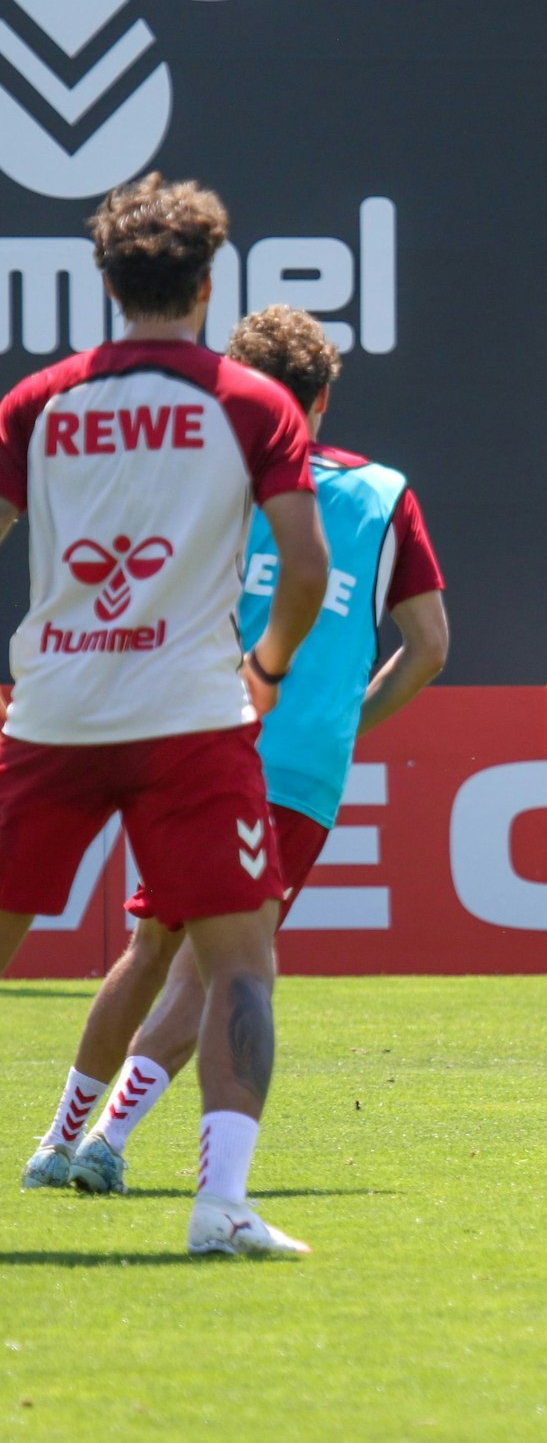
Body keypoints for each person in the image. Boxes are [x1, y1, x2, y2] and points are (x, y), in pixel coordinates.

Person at [22, 305, 448, 1200]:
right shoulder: (383, 493)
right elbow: (431, 644)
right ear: (324, 398)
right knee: (225, 967)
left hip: (186, 732)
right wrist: (344, 724)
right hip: (293, 768)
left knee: (151, 946)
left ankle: (56, 1141)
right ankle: (111, 1141)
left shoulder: (203, 483)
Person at [0, 175, 329, 1255]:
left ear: (106, 281)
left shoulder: (35, 402)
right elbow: (305, 565)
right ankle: (219, 1208)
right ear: (205, 284)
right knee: (239, 966)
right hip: (191, 717)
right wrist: (268, 666)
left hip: (54, 712)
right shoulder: (253, 402)